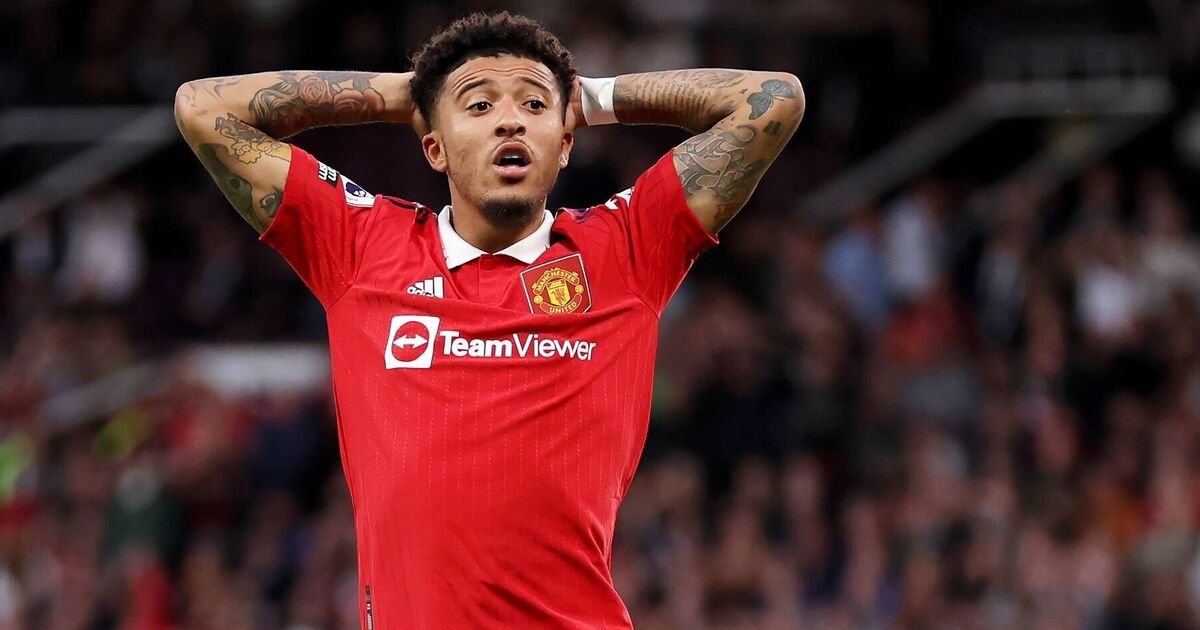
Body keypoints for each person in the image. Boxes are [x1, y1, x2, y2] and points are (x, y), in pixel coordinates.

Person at [173, 11, 803, 628]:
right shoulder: (361, 245)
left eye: (534, 105)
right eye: (478, 105)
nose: (510, 120)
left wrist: (588, 97)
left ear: (565, 144)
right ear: (434, 146)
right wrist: (409, 93)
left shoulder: (625, 249)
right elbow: (202, 107)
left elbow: (773, 100)